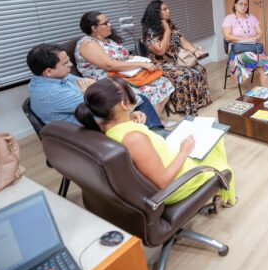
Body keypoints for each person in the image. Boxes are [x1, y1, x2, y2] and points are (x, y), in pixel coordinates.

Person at [75, 77, 236, 206]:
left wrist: (129, 117)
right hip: (173, 186)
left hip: (159, 163)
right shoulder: (134, 138)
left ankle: (220, 193)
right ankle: (224, 194)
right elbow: (163, 183)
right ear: (123, 104)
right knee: (214, 147)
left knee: (210, 141)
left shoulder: (102, 127)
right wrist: (184, 151)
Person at [26, 43, 165, 132]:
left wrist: (87, 92)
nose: (71, 65)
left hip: (92, 117)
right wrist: (89, 93)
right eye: (66, 63)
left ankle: (155, 134)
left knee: (138, 99)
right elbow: (100, 103)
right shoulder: (50, 93)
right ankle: (155, 137)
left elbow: (93, 83)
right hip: (87, 132)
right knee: (135, 102)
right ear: (48, 71)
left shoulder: (56, 77)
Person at [74, 11, 174, 115]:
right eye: (105, 23)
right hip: (107, 82)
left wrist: (135, 58)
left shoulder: (107, 40)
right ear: (94, 28)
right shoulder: (87, 43)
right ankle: (149, 121)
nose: (110, 25)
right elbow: (109, 65)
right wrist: (141, 64)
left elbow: (122, 56)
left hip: (124, 75)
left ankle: (154, 119)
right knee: (149, 90)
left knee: (163, 81)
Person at [141, 0, 212, 115]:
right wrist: (166, 31)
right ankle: (182, 106)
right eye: (165, 9)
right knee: (185, 75)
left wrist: (195, 51)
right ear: (156, 12)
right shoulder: (149, 32)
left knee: (200, 70)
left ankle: (199, 102)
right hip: (160, 63)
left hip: (176, 59)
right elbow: (161, 51)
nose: (168, 11)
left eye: (167, 8)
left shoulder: (171, 25)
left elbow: (183, 41)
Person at [222, 0, 268, 88]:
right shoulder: (229, 18)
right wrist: (244, 39)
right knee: (249, 56)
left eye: (246, 4)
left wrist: (256, 38)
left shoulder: (252, 18)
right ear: (235, 5)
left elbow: (260, 33)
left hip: (253, 50)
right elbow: (227, 37)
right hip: (238, 53)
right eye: (241, 4)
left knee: (265, 68)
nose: (243, 6)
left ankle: (267, 94)